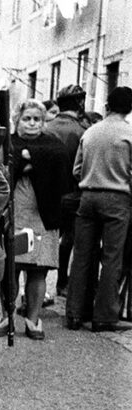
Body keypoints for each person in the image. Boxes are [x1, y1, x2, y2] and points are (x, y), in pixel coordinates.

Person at [0, 100, 68, 340]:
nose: (32, 123)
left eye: (37, 119)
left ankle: (33, 320)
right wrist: (27, 159)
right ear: (17, 120)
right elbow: (0, 168)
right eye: (27, 119)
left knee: (39, 269)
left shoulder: (54, 145)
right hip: (16, 214)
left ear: (43, 122)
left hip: (43, 217)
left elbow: (61, 177)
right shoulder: (8, 142)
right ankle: (7, 316)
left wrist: (28, 157)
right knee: (11, 269)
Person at [67, 86, 132, 332]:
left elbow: (76, 170)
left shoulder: (91, 132)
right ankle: (104, 316)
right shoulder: (129, 133)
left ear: (108, 104)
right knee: (112, 258)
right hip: (117, 199)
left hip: (87, 197)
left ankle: (75, 313)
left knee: (82, 255)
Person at [45, 84, 90, 299]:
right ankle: (62, 283)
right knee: (68, 239)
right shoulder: (82, 131)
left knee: (44, 240)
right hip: (72, 194)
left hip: (45, 192)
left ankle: (37, 290)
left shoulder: (46, 128)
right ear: (80, 103)